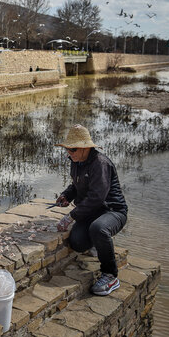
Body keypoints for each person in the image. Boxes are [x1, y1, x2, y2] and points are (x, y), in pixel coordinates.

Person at [54, 124, 127, 296]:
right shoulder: (76, 161)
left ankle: (110, 275)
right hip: (91, 212)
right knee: (78, 243)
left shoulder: (100, 163)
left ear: (85, 147)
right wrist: (66, 195)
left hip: (112, 211)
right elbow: (77, 185)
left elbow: (97, 197)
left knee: (99, 228)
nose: (69, 153)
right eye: (68, 149)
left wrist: (71, 216)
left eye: (73, 149)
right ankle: (97, 242)